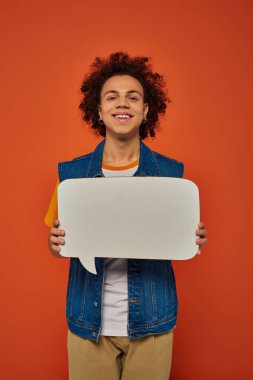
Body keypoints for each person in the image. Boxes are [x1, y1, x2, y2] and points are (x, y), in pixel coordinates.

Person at [44, 51, 207, 380]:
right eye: (112, 97)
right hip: (88, 326)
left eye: (133, 97)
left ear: (145, 110)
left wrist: (194, 238)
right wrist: (54, 243)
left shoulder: (172, 176)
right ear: (100, 111)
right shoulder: (72, 177)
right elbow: (58, 243)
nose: (123, 104)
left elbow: (182, 239)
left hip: (153, 324)